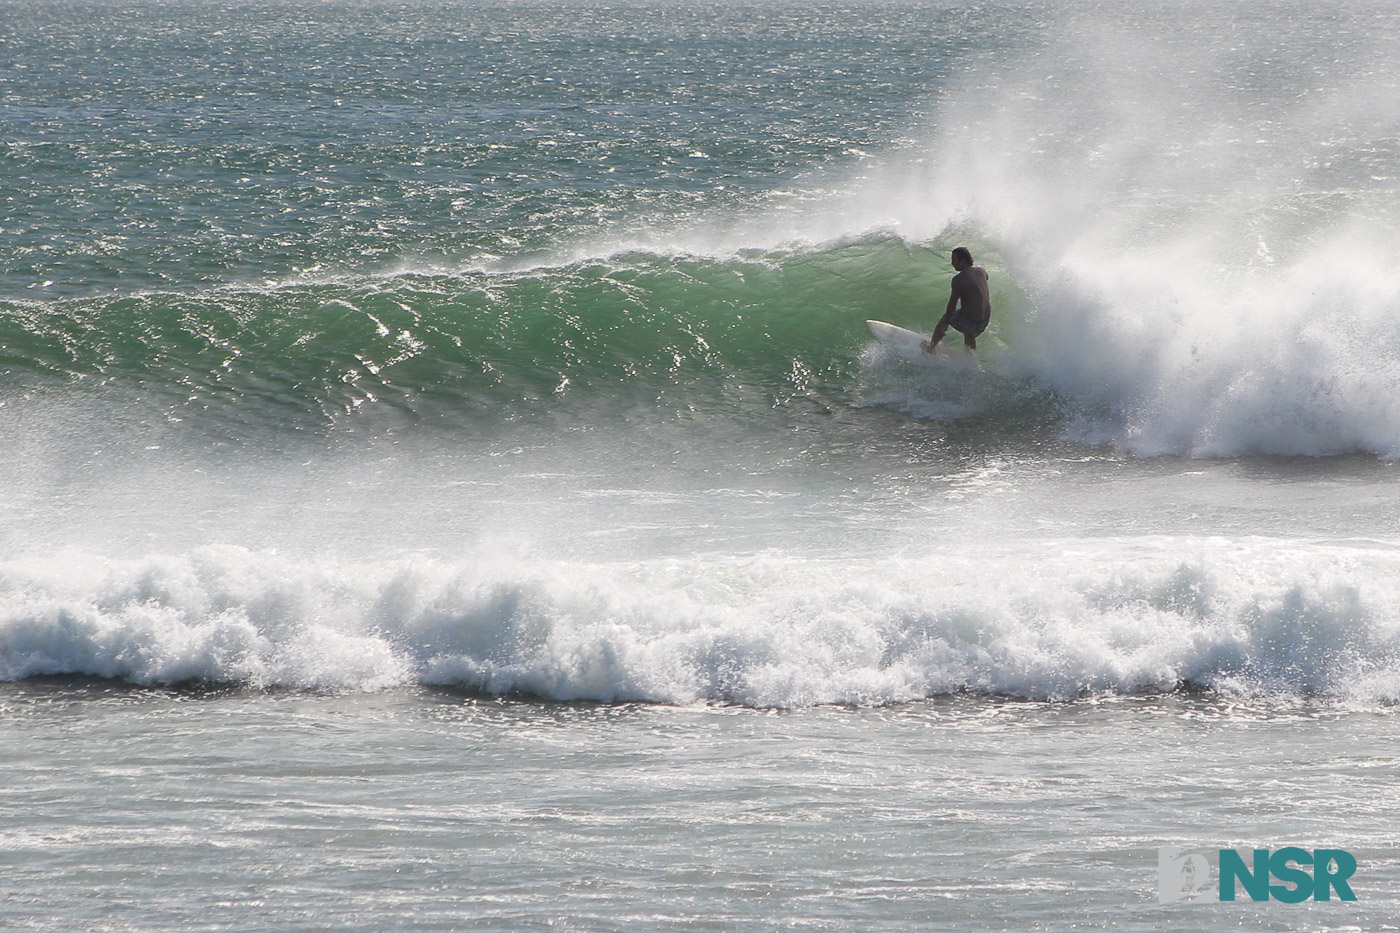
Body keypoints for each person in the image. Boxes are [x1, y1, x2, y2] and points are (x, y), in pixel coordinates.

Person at [922, 246, 991, 352]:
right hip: (984, 321)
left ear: (963, 260)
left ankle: (931, 347)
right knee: (969, 331)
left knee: (947, 317)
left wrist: (945, 323)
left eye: (954, 260)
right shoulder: (982, 271)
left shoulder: (958, 280)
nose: (952, 263)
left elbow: (952, 305)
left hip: (972, 323)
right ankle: (970, 355)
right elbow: (986, 278)